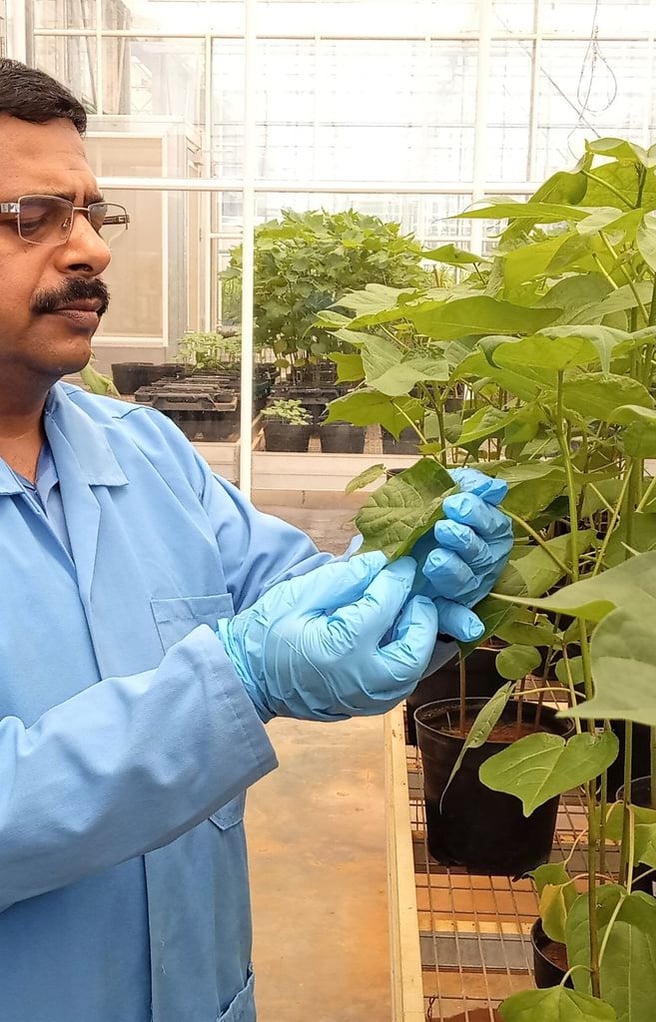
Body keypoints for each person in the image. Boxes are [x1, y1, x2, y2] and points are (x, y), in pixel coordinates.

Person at [0, 57, 513, 1022]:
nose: (90, 251)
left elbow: (299, 598)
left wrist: (418, 582)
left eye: (92, 216)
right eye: (32, 217)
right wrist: (238, 682)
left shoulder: (145, 452)